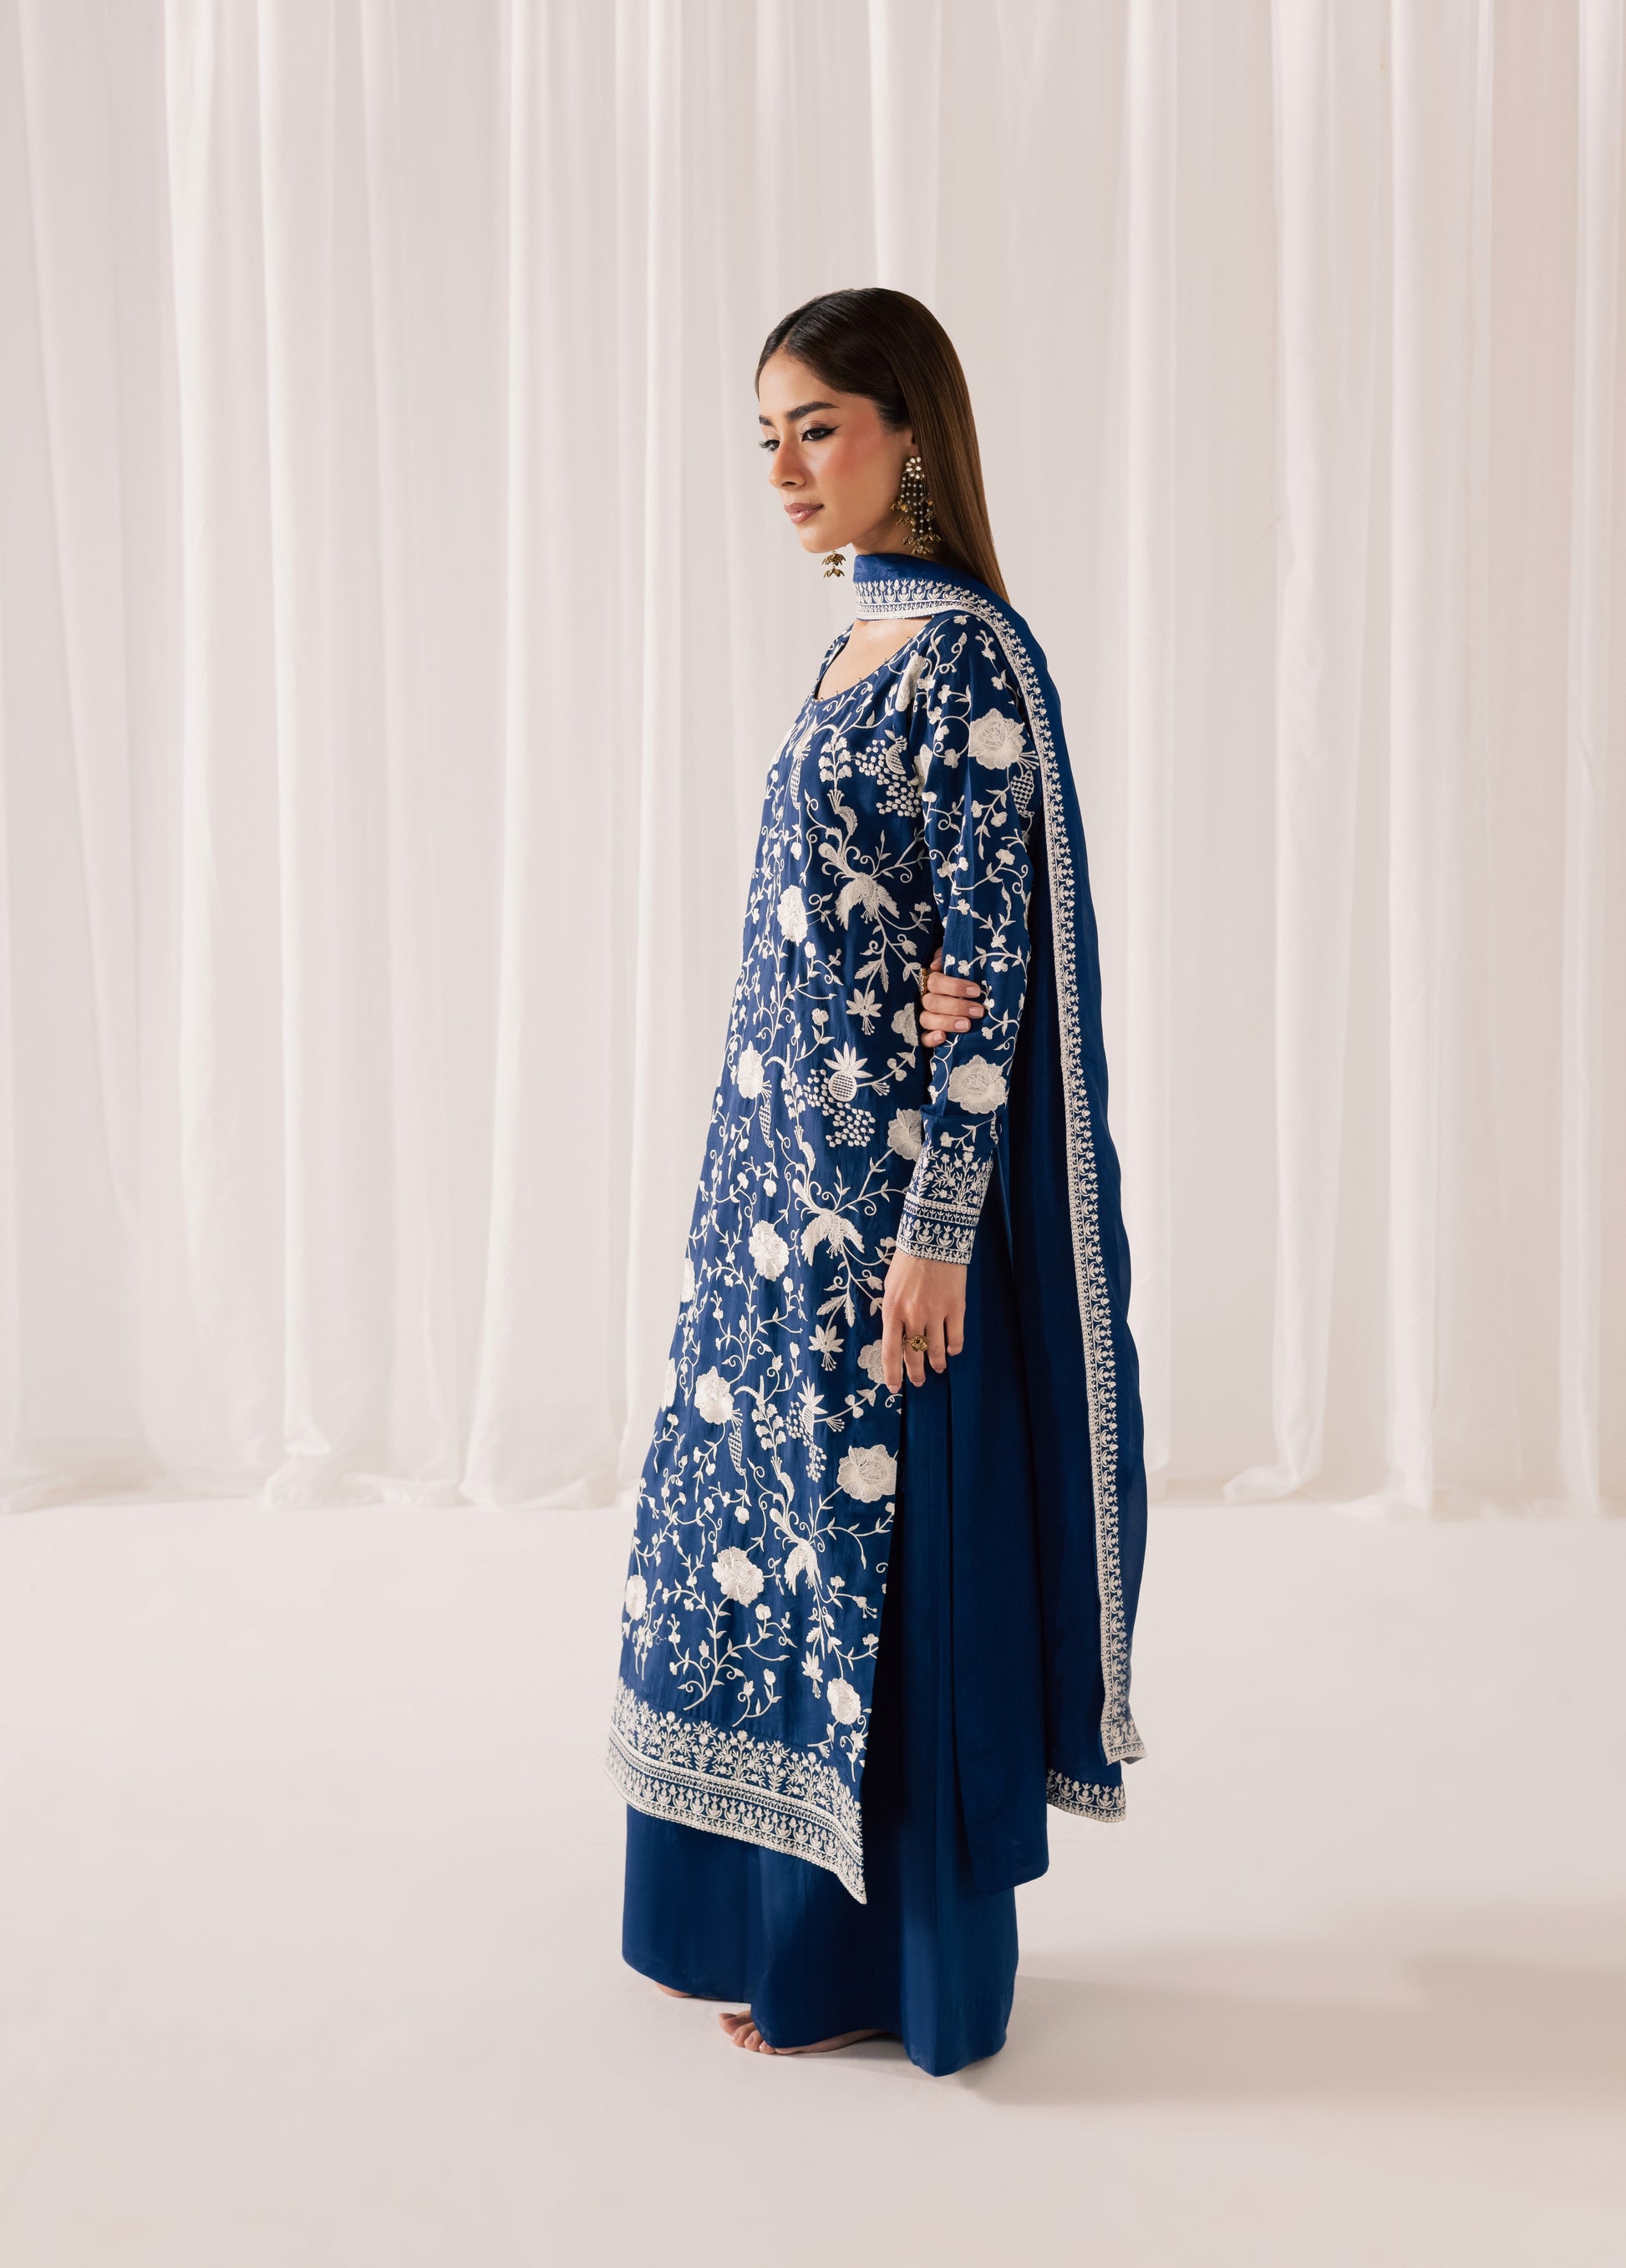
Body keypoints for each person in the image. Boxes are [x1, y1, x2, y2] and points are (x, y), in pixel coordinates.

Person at [608, 287, 1147, 2075]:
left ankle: (879, 1970)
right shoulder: (856, 638)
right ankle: (769, 1933)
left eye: (817, 426)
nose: (783, 467)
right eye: (764, 435)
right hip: (779, 1200)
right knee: (769, 1550)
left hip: (887, 1218)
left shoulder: (966, 656)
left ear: (909, 432)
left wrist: (935, 1234)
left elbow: (987, 965)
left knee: (877, 1561)